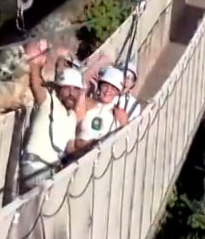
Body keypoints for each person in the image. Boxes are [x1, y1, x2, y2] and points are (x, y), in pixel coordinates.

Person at [20, 47, 86, 193]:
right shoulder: (48, 101)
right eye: (67, 89)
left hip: (49, 171)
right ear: (59, 90)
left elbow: (70, 148)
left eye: (75, 90)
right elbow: (36, 82)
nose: (71, 94)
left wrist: (89, 146)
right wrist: (36, 62)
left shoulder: (71, 117)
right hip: (35, 168)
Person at [74, 67, 128, 151]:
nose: (108, 91)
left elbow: (123, 141)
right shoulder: (86, 103)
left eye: (113, 88)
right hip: (79, 154)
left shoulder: (120, 114)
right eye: (105, 86)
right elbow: (76, 122)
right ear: (99, 86)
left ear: (118, 92)